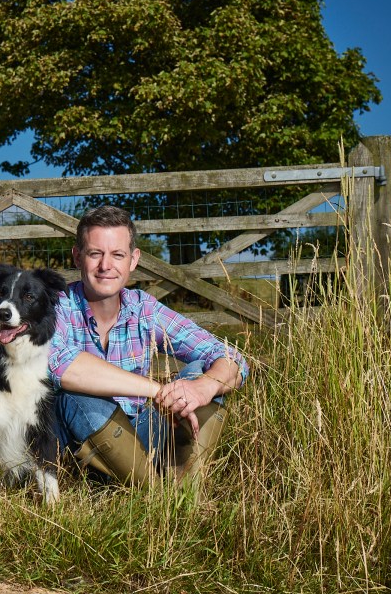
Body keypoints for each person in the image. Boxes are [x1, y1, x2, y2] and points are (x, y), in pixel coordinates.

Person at [47, 205, 249, 487]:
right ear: (77, 257)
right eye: (95, 254)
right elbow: (60, 365)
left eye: (118, 254)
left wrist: (202, 388)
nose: (106, 266)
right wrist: (157, 390)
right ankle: (153, 496)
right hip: (79, 446)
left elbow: (231, 359)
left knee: (199, 373)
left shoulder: (144, 308)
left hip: (143, 432)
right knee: (77, 398)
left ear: (133, 260)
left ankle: (183, 492)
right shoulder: (55, 305)